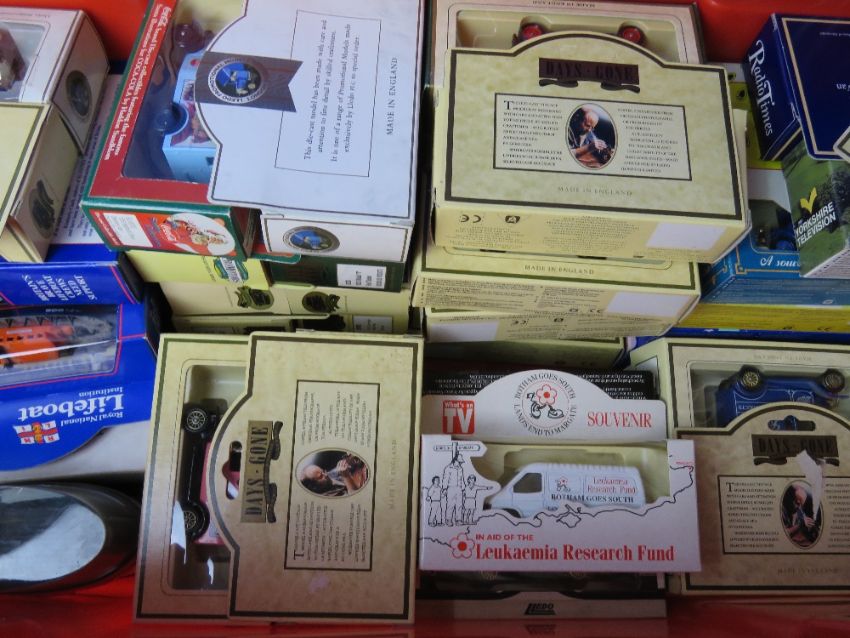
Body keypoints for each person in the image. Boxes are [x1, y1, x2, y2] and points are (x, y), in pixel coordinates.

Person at [299, 456, 367, 497]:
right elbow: (355, 498)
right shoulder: (327, 497)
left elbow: (348, 466)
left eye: (323, 471)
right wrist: (346, 476)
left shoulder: (328, 475)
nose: (326, 474)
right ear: (314, 487)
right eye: (320, 476)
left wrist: (346, 462)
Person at [442, 453, 465, 526]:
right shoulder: (448, 468)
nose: (460, 463)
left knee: (459, 505)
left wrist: (463, 489)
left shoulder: (461, 468)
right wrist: (444, 489)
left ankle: (458, 520)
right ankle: (448, 520)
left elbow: (462, 479)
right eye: (459, 462)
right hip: (451, 488)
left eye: (460, 462)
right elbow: (445, 479)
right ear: (455, 460)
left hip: (459, 488)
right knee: (450, 505)